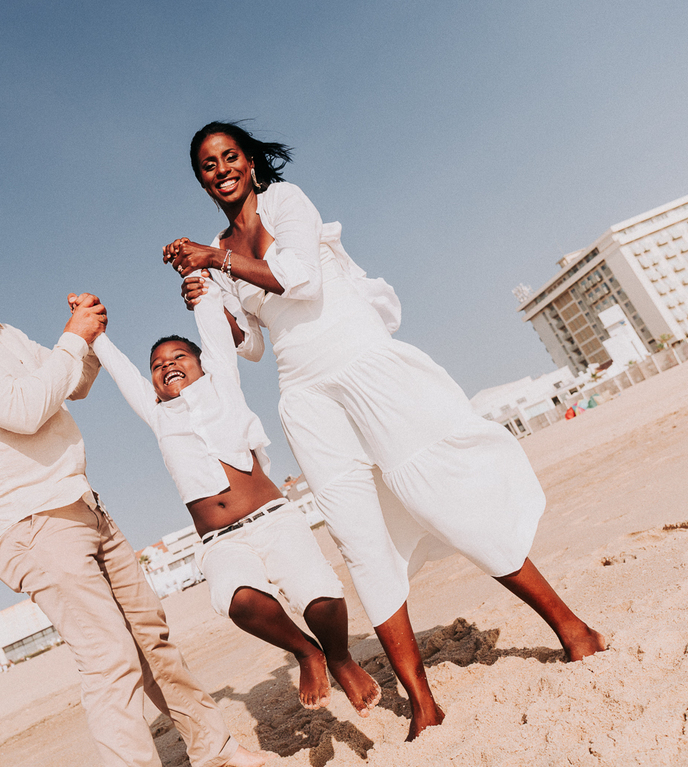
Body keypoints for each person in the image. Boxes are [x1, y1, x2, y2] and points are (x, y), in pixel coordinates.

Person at [162, 123, 606, 740]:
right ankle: (423, 701)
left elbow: (302, 278)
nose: (221, 169)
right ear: (201, 179)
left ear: (249, 160)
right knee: (357, 537)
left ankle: (570, 626)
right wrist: (208, 295)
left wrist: (218, 260)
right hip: (305, 397)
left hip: (361, 363)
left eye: (229, 156)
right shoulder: (221, 244)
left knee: (439, 494)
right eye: (208, 165)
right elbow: (256, 342)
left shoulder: (286, 202)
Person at [0, 228, 269, 767]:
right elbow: (25, 409)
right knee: (109, 657)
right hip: (26, 522)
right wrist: (72, 338)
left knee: (153, 638)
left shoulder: (3, 333)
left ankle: (215, 750)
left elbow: (72, 384)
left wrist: (90, 334)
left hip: (81, 503)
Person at [86, 276, 380, 715]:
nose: (167, 364)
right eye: (157, 364)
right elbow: (121, 370)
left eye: (178, 356)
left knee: (320, 598)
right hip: (220, 541)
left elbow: (212, 329)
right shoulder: (158, 414)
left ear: (201, 364)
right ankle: (306, 652)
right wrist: (95, 332)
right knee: (238, 599)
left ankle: (338, 656)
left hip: (272, 519)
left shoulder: (222, 383)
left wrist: (197, 282)